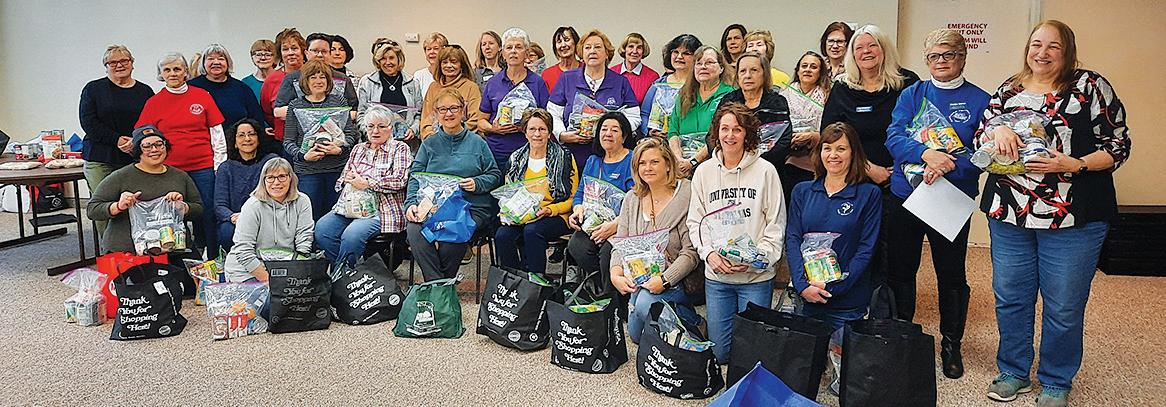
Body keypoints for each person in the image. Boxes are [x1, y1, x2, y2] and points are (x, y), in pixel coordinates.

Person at [980, 21, 1130, 407]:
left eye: (1053, 46)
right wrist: (996, 132)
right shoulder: (1009, 89)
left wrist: (1074, 163)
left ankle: (1056, 380)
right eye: (1036, 44)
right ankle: (1013, 371)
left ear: (1068, 51)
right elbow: (983, 135)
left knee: (1063, 305)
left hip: (1072, 215)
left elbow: (1117, 145)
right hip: (1010, 213)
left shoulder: (1090, 87)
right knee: (1010, 297)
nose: (1042, 53)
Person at [884, 29, 990, 381]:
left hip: (951, 198)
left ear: (963, 57)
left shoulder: (981, 100)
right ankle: (902, 339)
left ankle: (951, 344)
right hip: (907, 196)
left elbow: (984, 154)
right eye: (934, 56)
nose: (941, 61)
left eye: (949, 55)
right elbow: (894, 138)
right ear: (926, 60)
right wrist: (926, 154)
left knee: (951, 274)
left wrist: (947, 165)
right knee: (901, 271)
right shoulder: (912, 94)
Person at [820, 24, 919, 290]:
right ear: (852, 54)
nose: (866, 51)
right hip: (855, 181)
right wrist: (867, 168)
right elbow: (830, 136)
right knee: (857, 249)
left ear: (884, 49)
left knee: (898, 256)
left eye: (872, 45)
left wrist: (899, 170)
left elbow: (921, 130)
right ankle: (854, 306)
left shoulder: (907, 83)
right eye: (859, 47)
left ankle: (892, 312)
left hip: (901, 182)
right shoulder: (843, 87)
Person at [786, 121, 882, 395]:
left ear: (854, 153)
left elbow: (866, 249)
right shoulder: (803, 191)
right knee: (805, 377)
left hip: (846, 299)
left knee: (848, 383)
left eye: (841, 148)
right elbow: (792, 239)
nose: (833, 155)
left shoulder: (869, 194)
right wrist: (802, 285)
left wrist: (834, 286)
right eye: (827, 148)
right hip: (807, 296)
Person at [687, 103, 785, 364]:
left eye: (737, 130)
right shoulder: (704, 172)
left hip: (755, 277)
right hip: (717, 277)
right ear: (716, 132)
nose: (730, 135)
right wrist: (709, 255)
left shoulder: (766, 171)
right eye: (725, 129)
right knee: (720, 355)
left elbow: (776, 224)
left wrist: (757, 259)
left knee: (752, 354)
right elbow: (696, 222)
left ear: (747, 134)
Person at [404, 89, 501, 281]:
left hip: (470, 208)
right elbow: (415, 176)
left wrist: (477, 183)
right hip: (434, 207)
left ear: (462, 110)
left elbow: (494, 174)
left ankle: (435, 287)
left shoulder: (478, 143)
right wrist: (411, 204)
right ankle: (441, 286)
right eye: (443, 109)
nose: (448, 114)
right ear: (436, 113)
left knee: (452, 238)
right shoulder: (429, 144)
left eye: (454, 108)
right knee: (414, 230)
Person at [610, 137, 700, 343]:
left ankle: (695, 322)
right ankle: (668, 321)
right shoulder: (631, 199)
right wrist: (615, 273)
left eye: (654, 162)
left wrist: (665, 280)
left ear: (668, 164)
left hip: (676, 280)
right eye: (642, 163)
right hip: (640, 279)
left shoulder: (687, 194)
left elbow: (690, 252)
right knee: (636, 336)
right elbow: (620, 244)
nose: (647, 168)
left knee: (644, 305)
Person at [135, 52, 226, 256]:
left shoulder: (202, 96)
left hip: (203, 166)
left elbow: (217, 133)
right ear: (161, 74)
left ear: (186, 71)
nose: (173, 73)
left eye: (177, 69)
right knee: (174, 215)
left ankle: (213, 255)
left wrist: (219, 164)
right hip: (170, 170)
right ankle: (183, 259)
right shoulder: (154, 102)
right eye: (167, 70)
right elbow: (143, 136)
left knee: (208, 212)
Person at [315, 105, 413, 266]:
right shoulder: (358, 149)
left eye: (381, 126)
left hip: (383, 210)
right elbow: (342, 179)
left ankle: (344, 274)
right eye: (371, 126)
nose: (375, 131)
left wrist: (367, 183)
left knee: (352, 235)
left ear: (390, 128)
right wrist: (348, 179)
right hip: (351, 207)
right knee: (322, 230)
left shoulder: (400, 148)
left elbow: (399, 180)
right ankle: (347, 271)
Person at [86, 125, 203, 254]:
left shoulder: (180, 176)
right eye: (147, 146)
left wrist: (183, 207)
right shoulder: (121, 176)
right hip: (129, 251)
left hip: (174, 247)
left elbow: (199, 209)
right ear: (137, 150)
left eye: (159, 144)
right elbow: (93, 209)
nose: (154, 150)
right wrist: (118, 206)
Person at [79, 45, 155, 235]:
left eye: (124, 61)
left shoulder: (145, 91)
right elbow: (88, 122)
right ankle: (108, 247)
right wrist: (117, 140)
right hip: (100, 158)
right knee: (104, 206)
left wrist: (136, 141)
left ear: (132, 63)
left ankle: (137, 246)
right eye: (113, 62)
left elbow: (151, 122)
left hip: (134, 157)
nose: (119, 65)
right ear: (106, 66)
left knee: (136, 204)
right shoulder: (93, 89)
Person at [494, 109, 578, 275]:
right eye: (532, 129)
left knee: (532, 231)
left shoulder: (564, 157)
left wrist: (550, 210)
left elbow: (573, 199)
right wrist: (509, 213)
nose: (537, 134)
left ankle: (536, 281)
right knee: (502, 235)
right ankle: (514, 279)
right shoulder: (516, 159)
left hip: (556, 214)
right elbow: (508, 195)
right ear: (525, 132)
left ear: (549, 133)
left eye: (542, 129)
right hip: (523, 216)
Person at [566, 113, 636, 308]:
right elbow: (580, 193)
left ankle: (615, 305)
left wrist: (615, 225)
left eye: (614, 130)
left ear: (624, 136)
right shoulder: (593, 161)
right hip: (593, 222)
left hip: (624, 224)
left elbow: (637, 201)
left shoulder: (632, 160)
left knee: (608, 254)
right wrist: (577, 210)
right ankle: (603, 288)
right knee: (577, 246)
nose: (608, 134)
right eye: (604, 129)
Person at [548, 29, 640, 170]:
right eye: (587, 47)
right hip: (572, 155)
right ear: (581, 53)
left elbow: (634, 116)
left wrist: (614, 133)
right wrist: (562, 134)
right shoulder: (567, 79)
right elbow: (552, 112)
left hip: (610, 157)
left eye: (597, 47)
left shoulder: (620, 82)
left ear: (607, 53)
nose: (592, 51)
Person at [283, 60, 359, 220]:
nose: (318, 81)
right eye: (313, 77)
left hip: (337, 169)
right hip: (308, 172)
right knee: (309, 215)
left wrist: (340, 149)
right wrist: (303, 155)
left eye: (322, 77)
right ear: (305, 81)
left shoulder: (339, 102)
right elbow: (288, 141)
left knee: (337, 215)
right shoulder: (295, 105)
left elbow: (351, 134)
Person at [717, 52, 795, 200]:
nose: (748, 75)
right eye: (742, 71)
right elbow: (714, 135)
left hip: (767, 171)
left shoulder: (777, 102)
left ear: (764, 74)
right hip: (730, 172)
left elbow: (783, 141)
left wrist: (752, 164)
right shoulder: (728, 101)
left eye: (754, 70)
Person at [223, 158, 315, 282]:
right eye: (270, 177)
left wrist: (297, 272)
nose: (276, 182)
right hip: (247, 269)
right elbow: (243, 251)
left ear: (291, 178)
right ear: (263, 181)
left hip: (285, 266)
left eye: (282, 176)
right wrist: (271, 283)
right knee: (266, 295)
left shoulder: (302, 201)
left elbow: (304, 240)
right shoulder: (252, 205)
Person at [478, 28, 551, 174]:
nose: (513, 51)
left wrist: (526, 126)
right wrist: (494, 128)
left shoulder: (538, 83)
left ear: (526, 53)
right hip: (497, 153)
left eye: (518, 47)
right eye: (509, 47)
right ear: (503, 53)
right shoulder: (493, 83)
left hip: (529, 152)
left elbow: (547, 120)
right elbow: (481, 121)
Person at [667, 45, 733, 177]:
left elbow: (721, 135)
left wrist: (693, 161)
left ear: (721, 68)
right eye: (698, 63)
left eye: (709, 62)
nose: (703, 67)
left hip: (717, 164)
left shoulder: (730, 95)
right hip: (682, 167)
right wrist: (679, 159)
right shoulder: (684, 95)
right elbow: (673, 130)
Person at [214, 118, 279, 254]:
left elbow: (280, 196)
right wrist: (234, 217)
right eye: (241, 135)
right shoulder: (225, 168)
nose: (247, 139)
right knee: (226, 231)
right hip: (236, 219)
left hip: (267, 216)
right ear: (235, 142)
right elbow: (220, 206)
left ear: (259, 139)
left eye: (251, 134)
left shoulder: (272, 162)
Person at [273, 33, 359, 134]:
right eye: (315, 51)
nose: (320, 55)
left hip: (337, 137)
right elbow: (278, 112)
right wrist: (317, 114)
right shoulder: (292, 79)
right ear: (306, 53)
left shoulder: (343, 79)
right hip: (300, 137)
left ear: (330, 53)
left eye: (324, 51)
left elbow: (354, 111)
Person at [778, 51, 831, 200]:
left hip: (818, 158)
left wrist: (813, 136)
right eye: (804, 66)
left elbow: (832, 129)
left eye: (813, 67)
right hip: (788, 157)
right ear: (798, 70)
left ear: (820, 73)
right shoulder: (783, 95)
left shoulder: (828, 96)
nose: (808, 70)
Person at [188, 44, 267, 139]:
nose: (216, 62)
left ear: (228, 63)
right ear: (203, 64)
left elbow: (257, 121)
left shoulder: (242, 89)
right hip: (201, 143)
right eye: (210, 59)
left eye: (221, 59)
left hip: (237, 144)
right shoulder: (191, 88)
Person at [356, 38, 423, 143]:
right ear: (378, 61)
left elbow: (419, 114)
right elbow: (361, 115)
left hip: (406, 143)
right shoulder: (367, 82)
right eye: (383, 58)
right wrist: (372, 133)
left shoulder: (413, 83)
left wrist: (413, 130)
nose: (388, 62)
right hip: (375, 143)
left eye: (391, 58)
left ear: (399, 59)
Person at [640, 34, 701, 137]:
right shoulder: (659, 84)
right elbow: (644, 114)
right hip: (658, 141)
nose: (679, 57)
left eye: (686, 53)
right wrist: (649, 131)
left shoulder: (700, 85)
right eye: (675, 52)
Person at [419, 45, 484, 139]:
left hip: (463, 139)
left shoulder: (471, 87)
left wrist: (455, 134)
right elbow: (426, 119)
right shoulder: (433, 87)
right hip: (435, 140)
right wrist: (432, 136)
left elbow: (475, 119)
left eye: (454, 62)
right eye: (444, 62)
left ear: (462, 65)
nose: (449, 66)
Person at [260, 28, 306, 146]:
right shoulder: (271, 80)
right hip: (283, 141)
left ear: (303, 50)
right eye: (285, 49)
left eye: (294, 48)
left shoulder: (315, 75)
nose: (290, 53)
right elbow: (267, 112)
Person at [613, 33, 660, 104]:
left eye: (639, 47)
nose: (634, 51)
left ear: (643, 51)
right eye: (631, 46)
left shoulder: (653, 77)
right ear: (624, 49)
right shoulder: (611, 72)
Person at [541, 26, 581, 92]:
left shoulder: (586, 69)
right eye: (559, 42)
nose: (563, 45)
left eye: (567, 40)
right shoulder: (547, 74)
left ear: (576, 42)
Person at [412, 32, 449, 100]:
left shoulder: (449, 74)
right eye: (429, 49)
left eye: (436, 48)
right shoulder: (419, 75)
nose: (432, 52)